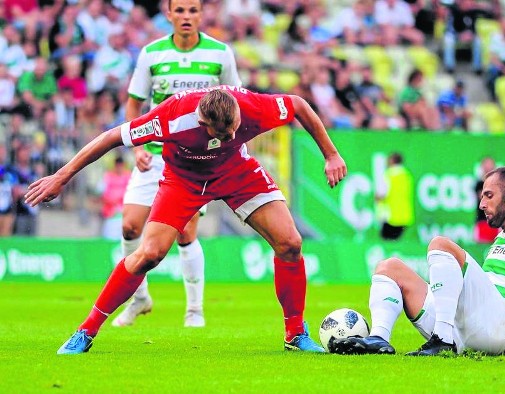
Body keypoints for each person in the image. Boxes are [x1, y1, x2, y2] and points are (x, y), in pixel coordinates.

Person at [26, 86, 347, 355]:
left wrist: (331, 154)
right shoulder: (171, 116)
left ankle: (295, 334)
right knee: (149, 254)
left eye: (235, 128)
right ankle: (86, 330)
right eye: (223, 132)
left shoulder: (252, 106)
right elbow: (111, 137)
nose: (232, 133)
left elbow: (299, 106)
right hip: (183, 180)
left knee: (290, 244)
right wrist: (62, 175)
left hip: (236, 172)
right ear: (201, 121)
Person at [333, 166, 505, 359]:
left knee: (441, 245)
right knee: (389, 267)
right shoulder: (502, 239)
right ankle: (379, 339)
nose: (481, 204)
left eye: (488, 196)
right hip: (471, 328)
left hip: (497, 329)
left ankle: (441, 341)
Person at [114, 0, 242, 329]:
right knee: (130, 227)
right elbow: (134, 104)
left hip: (195, 159)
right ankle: (140, 298)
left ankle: (194, 310)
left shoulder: (220, 53)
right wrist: (136, 148)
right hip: (155, 153)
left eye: (192, 10)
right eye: (180, 10)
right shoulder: (151, 54)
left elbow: (236, 103)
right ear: (168, 13)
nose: (186, 16)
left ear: (202, 14)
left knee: (185, 232)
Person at [376, 153, 414, 241]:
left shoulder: (389, 175)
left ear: (392, 161)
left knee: (387, 244)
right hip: (404, 216)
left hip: (390, 216)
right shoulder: (407, 175)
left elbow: (381, 195)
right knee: (396, 243)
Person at [472, 156, 498, 243]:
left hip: (496, 221)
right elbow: (484, 197)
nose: (488, 167)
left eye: (490, 164)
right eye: (486, 164)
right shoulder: (479, 184)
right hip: (483, 220)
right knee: (482, 246)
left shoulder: (498, 184)